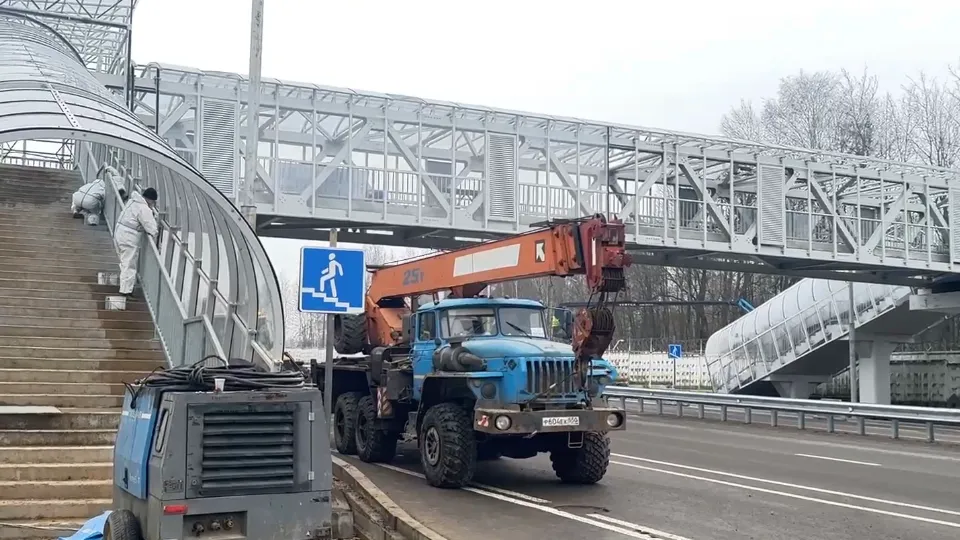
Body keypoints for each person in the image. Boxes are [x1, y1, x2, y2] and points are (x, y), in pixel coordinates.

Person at [114, 187, 159, 297]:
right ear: (150, 200)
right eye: (153, 202)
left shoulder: (132, 201)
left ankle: (125, 287)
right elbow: (152, 228)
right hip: (129, 237)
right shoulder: (144, 208)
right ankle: (125, 291)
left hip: (119, 233)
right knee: (129, 264)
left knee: (124, 262)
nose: (153, 204)